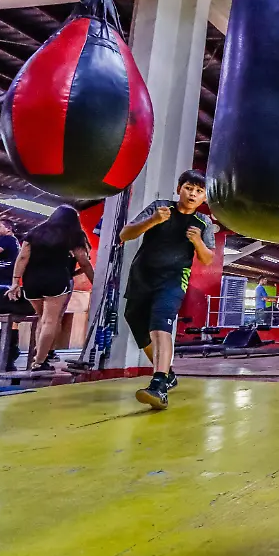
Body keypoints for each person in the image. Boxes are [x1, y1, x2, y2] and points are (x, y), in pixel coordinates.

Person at [119, 170, 216, 410]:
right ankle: (168, 373)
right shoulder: (160, 207)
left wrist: (198, 242)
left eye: (199, 191)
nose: (193, 194)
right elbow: (125, 234)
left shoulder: (204, 223)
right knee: (135, 320)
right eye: (189, 188)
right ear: (179, 189)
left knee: (161, 322)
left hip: (173, 279)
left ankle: (159, 383)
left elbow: (207, 259)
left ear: (204, 198)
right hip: (142, 276)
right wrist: (152, 221)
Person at [5, 206, 95, 371]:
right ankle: (39, 362)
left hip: (32, 281)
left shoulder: (35, 232)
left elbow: (23, 257)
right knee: (50, 321)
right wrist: (95, 282)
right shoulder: (73, 234)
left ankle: (40, 356)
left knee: (42, 318)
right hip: (56, 279)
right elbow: (83, 261)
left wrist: (15, 282)